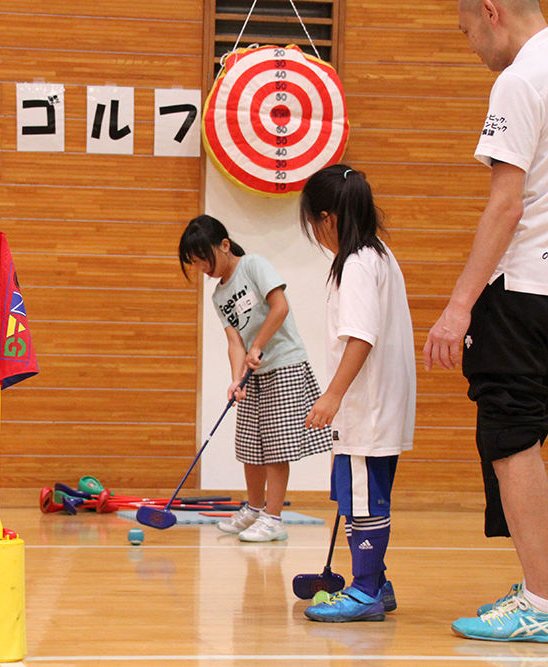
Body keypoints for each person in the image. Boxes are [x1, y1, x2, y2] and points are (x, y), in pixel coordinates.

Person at [424, 0, 548, 644]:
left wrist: (459, 304)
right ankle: (536, 590)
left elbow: (506, 203)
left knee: (512, 438)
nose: (473, 46)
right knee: (520, 436)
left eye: (468, 31)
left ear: (490, 11)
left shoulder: (521, 77)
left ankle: (544, 604)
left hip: (521, 286)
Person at [298, 164, 416, 623]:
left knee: (363, 501)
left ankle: (365, 590)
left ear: (328, 218)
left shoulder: (358, 264)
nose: (315, 232)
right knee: (360, 497)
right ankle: (377, 581)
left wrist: (331, 396)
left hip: (366, 407)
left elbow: (361, 336)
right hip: (373, 405)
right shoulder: (378, 254)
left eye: (313, 223)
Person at [179, 215, 332, 542]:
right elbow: (235, 342)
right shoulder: (218, 296)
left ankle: (274, 519)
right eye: (195, 264)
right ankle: (254, 509)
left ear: (223, 245)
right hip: (253, 372)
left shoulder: (253, 265)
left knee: (276, 447)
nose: (203, 268)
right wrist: (237, 380)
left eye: (204, 258)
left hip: (285, 365)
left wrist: (258, 345)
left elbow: (280, 307)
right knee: (251, 445)